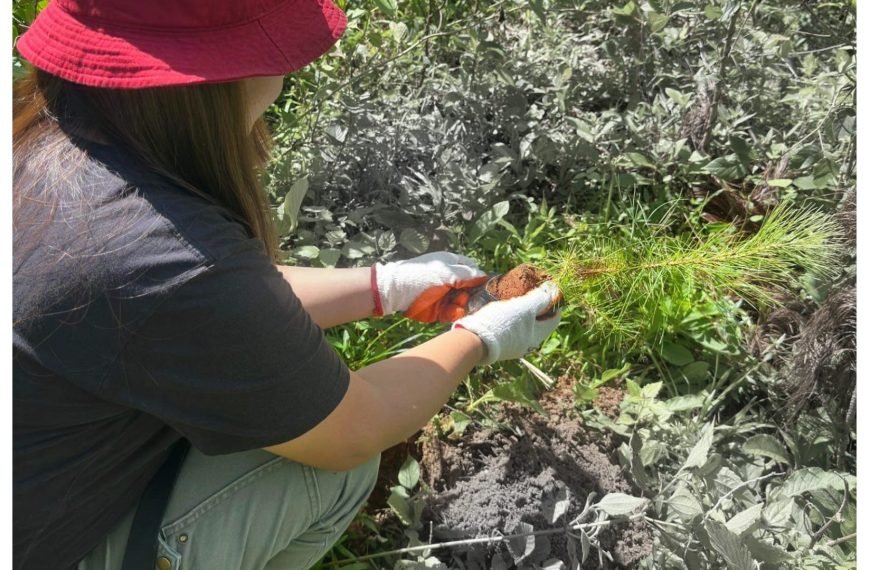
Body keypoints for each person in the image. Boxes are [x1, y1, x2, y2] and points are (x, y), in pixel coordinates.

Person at [12, 1, 561, 569]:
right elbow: (353, 427)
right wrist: (482, 336)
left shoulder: (50, 151)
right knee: (335, 474)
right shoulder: (164, 258)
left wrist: (385, 285)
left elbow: (199, 306)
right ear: (220, 77)